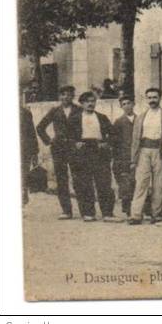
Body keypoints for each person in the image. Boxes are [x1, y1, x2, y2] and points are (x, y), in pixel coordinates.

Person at [128, 87, 162, 225]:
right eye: (149, 97)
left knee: (158, 184)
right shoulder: (140, 117)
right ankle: (136, 215)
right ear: (146, 99)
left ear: (160, 98)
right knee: (141, 183)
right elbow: (135, 140)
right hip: (143, 151)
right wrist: (133, 159)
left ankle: (157, 214)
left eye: (155, 97)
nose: (152, 100)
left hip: (160, 151)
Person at [67, 91, 118, 222]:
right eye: (87, 101)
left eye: (93, 101)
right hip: (83, 151)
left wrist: (106, 143)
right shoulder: (74, 118)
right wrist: (75, 144)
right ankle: (88, 213)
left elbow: (113, 134)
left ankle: (107, 213)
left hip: (99, 151)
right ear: (82, 104)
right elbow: (67, 137)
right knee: (84, 183)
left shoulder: (102, 117)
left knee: (104, 182)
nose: (90, 104)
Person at [35, 85, 80, 219]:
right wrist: (49, 141)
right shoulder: (54, 111)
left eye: (69, 94)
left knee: (78, 178)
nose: (66, 97)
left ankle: (85, 210)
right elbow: (40, 127)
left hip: (74, 148)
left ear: (73, 96)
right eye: (63, 94)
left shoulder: (79, 110)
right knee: (61, 179)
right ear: (60, 96)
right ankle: (66, 211)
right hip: (59, 148)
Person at [111, 93, 137, 218]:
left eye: (129, 103)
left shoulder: (140, 119)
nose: (127, 106)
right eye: (124, 104)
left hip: (138, 156)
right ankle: (128, 210)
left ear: (134, 104)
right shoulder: (119, 122)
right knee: (125, 184)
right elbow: (115, 142)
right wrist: (118, 160)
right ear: (121, 107)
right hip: (123, 157)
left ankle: (141, 209)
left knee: (138, 183)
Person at [20, 100, 39, 206]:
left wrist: (35, 152)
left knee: (23, 175)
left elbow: (32, 133)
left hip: (24, 150)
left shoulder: (25, 113)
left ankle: (22, 196)